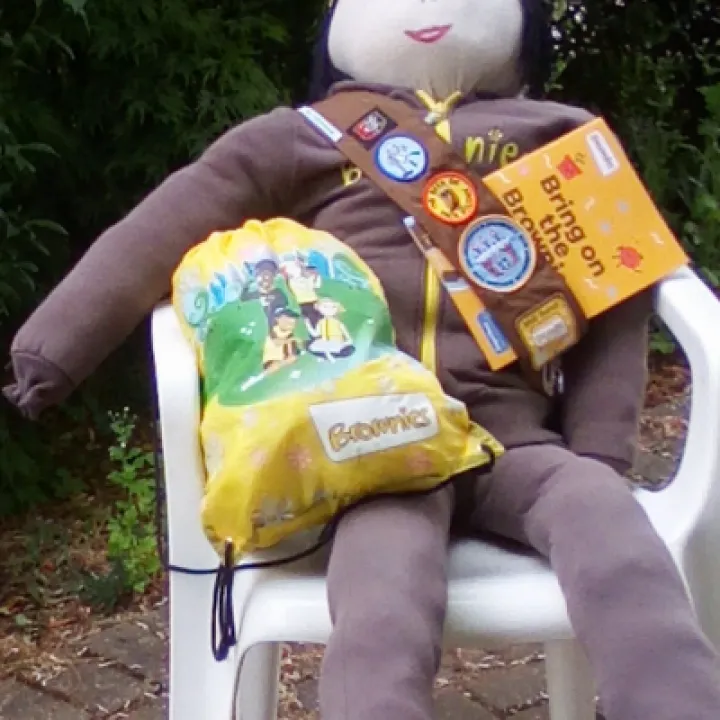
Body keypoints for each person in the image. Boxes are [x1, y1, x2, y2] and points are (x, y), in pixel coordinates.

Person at [4, 1, 720, 718]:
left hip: (521, 446)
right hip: (376, 447)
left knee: (613, 535)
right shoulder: (306, 138)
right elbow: (160, 229)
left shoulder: (562, 137)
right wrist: (52, 349)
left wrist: (597, 454)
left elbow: (619, 295)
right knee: (381, 606)